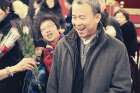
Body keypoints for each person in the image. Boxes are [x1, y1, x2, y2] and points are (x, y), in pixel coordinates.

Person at [46, 0, 131, 93]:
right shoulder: (62, 45)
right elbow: (53, 85)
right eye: (74, 17)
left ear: (97, 17)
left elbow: (121, 89)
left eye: (82, 17)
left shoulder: (117, 49)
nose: (77, 23)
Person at [114, 9, 139, 93]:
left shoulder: (128, 26)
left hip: (128, 53)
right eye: (117, 17)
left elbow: (125, 43)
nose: (118, 19)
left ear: (126, 18)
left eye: (121, 17)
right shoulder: (117, 26)